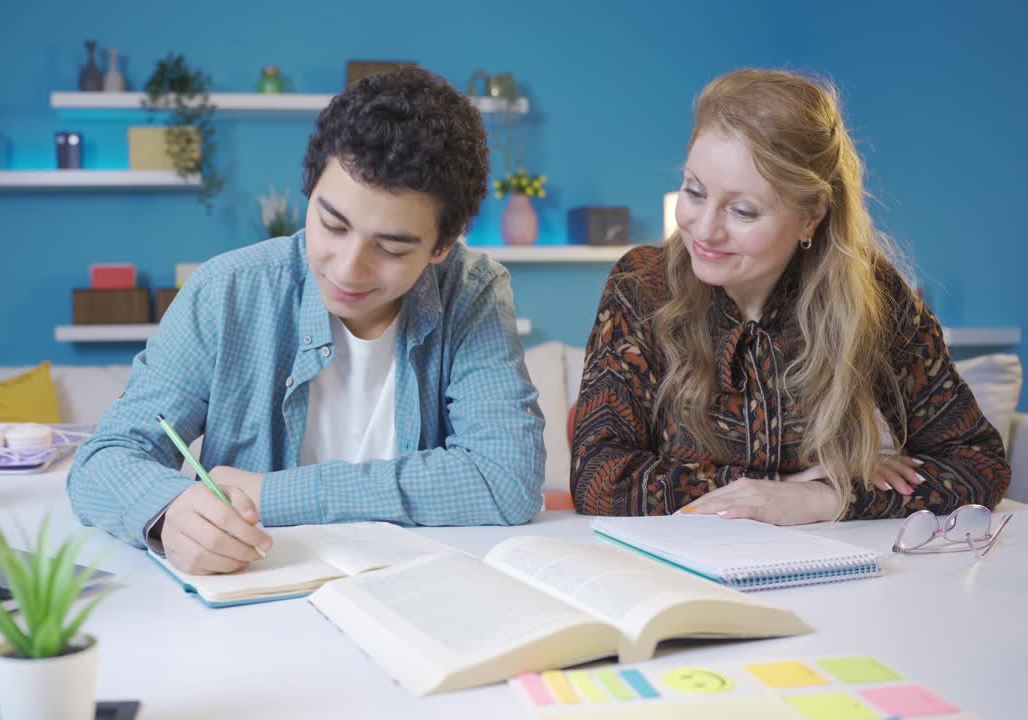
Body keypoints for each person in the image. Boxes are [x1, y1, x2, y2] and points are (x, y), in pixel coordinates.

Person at [69, 67, 546, 573]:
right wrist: (169, 511)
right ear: (310, 189)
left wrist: (272, 495)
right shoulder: (226, 292)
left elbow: (506, 479)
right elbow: (104, 459)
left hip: (413, 593)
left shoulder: (471, 293)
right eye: (332, 225)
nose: (348, 269)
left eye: (389, 248)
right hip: (252, 597)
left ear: (442, 245)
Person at [570, 68, 1010, 524]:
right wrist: (781, 488)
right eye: (694, 191)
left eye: (743, 211)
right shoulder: (642, 284)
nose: (705, 229)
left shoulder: (871, 292)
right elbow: (598, 479)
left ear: (811, 216)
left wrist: (829, 499)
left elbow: (978, 465)